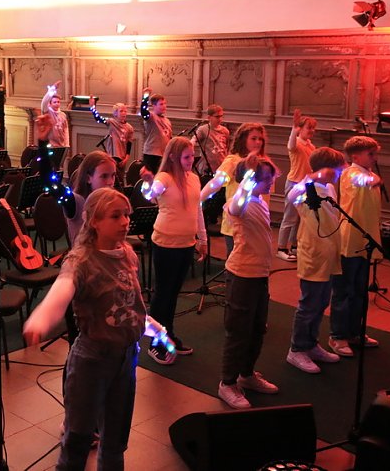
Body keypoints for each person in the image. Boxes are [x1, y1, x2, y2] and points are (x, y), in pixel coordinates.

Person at [23, 187, 172, 470]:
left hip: (126, 359)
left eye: (127, 215)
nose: (125, 222)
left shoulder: (127, 254)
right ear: (94, 222)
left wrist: (156, 331)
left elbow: (130, 306)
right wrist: (41, 319)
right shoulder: (81, 261)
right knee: (77, 442)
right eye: (115, 216)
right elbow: (62, 291)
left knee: (115, 442)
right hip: (93, 361)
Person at [217, 153, 280, 409]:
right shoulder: (238, 202)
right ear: (250, 180)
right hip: (242, 275)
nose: (271, 182)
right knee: (239, 332)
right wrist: (247, 180)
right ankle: (227, 383)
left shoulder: (260, 201)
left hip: (260, 275)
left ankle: (246, 374)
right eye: (266, 179)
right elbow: (235, 206)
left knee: (257, 329)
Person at [142, 136, 208, 362]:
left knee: (173, 294)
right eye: (186, 157)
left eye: (192, 156)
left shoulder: (194, 179)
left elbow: (197, 210)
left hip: (186, 244)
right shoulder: (165, 178)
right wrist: (148, 181)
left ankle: (168, 334)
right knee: (163, 294)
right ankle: (156, 343)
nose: (191, 160)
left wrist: (202, 238)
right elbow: (149, 196)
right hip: (165, 243)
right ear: (172, 157)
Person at [285, 147, 347, 374]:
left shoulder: (329, 188)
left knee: (321, 302)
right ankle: (297, 349)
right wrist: (312, 177)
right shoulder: (305, 188)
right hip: (313, 253)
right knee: (309, 304)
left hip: (329, 252)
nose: (339, 174)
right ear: (325, 170)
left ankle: (311, 344)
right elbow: (291, 196)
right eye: (337, 170)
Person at [328, 135, 383, 357]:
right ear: (355, 156)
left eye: (375, 154)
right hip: (349, 241)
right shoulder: (350, 173)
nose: (375, 158)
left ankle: (354, 331)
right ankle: (337, 335)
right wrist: (375, 179)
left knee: (360, 291)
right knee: (344, 291)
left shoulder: (368, 173)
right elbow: (363, 181)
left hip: (365, 240)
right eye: (371, 154)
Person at [199, 122, 269, 256]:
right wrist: (198, 200)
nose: (258, 142)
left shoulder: (264, 163)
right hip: (236, 225)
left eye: (260, 139)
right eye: (253, 138)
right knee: (237, 262)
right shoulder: (233, 161)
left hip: (256, 224)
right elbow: (216, 183)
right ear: (243, 140)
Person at [277, 109, 317, 262]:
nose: (311, 131)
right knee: (290, 217)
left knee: (300, 218)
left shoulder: (311, 146)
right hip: (294, 183)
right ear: (300, 129)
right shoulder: (296, 144)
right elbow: (291, 144)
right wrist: (294, 129)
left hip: (306, 185)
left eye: (313, 128)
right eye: (309, 127)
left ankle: (294, 246)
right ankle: (281, 248)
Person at [192, 104, 230, 229]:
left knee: (220, 197)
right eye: (217, 116)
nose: (220, 119)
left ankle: (214, 219)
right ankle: (205, 221)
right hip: (208, 169)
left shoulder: (225, 131)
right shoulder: (204, 130)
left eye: (221, 116)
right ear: (209, 117)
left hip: (221, 168)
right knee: (207, 198)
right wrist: (191, 144)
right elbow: (194, 139)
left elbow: (227, 147)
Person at [90, 98, 134, 170]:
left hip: (122, 157)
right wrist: (93, 107)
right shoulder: (111, 122)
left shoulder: (129, 128)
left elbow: (129, 144)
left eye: (125, 111)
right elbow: (98, 118)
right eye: (121, 111)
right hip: (112, 155)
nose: (124, 113)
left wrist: (126, 158)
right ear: (115, 113)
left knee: (120, 175)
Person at [139, 90, 172, 173]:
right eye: (161, 104)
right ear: (154, 105)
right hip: (152, 154)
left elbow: (169, 138)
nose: (164, 106)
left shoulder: (167, 121)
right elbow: (144, 112)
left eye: (165, 103)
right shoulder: (151, 117)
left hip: (163, 154)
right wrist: (146, 96)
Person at [41, 81, 69, 148]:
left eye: (58, 102)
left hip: (61, 145)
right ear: (50, 104)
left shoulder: (63, 115)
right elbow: (44, 102)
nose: (57, 104)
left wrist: (67, 145)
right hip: (50, 145)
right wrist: (53, 89)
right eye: (55, 102)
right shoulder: (47, 113)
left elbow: (66, 130)